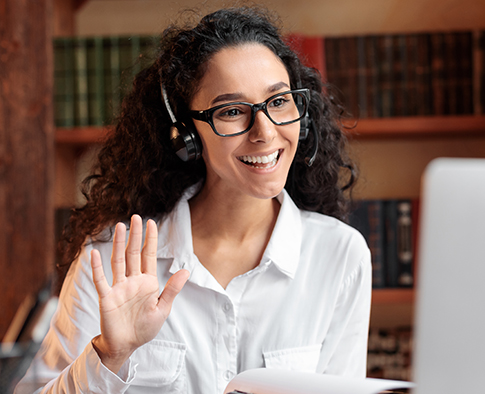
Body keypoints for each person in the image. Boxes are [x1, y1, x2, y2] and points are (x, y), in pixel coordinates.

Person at [15, 6, 371, 394]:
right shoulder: (109, 260)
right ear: (185, 135)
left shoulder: (340, 255)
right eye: (232, 111)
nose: (265, 133)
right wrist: (109, 355)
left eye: (279, 102)